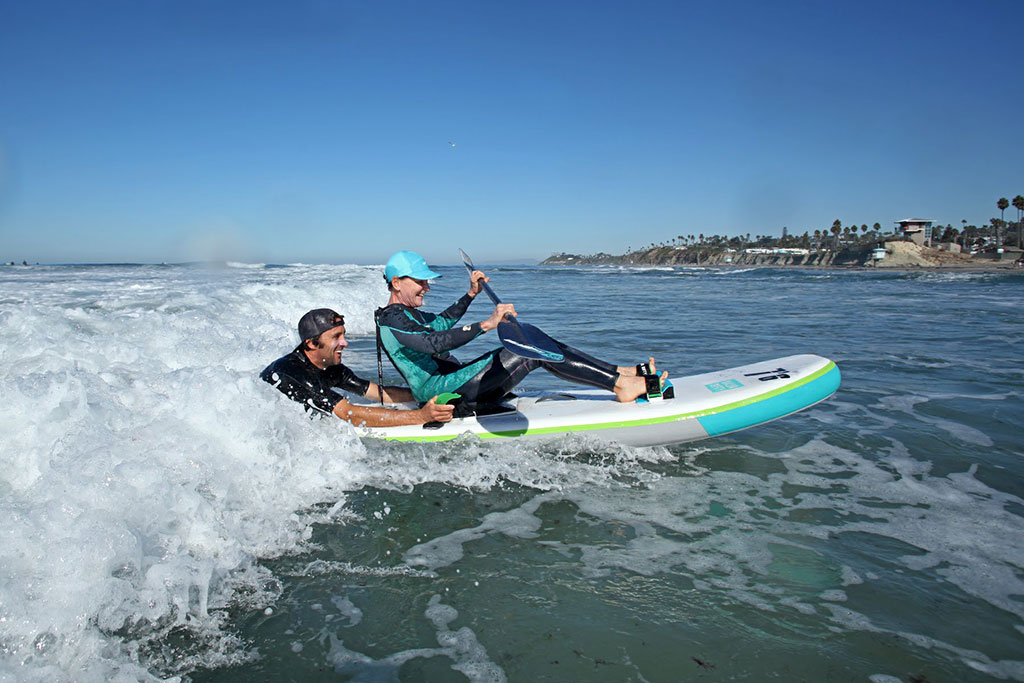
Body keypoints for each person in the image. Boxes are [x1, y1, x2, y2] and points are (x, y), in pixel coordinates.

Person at [374, 251, 668, 412]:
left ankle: (621, 372)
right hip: (442, 395)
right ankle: (620, 387)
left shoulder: (406, 314)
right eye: (421, 282)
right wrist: (487, 324)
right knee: (531, 354)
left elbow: (439, 324)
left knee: (537, 338)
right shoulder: (392, 319)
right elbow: (432, 342)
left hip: (455, 381)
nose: (427, 287)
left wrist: (471, 294)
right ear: (397, 282)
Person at [261, 308, 454, 427]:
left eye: (343, 335)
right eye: (336, 337)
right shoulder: (295, 374)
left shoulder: (330, 367)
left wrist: (428, 394)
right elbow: (348, 414)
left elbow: (380, 394)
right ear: (311, 344)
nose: (345, 343)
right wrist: (420, 416)